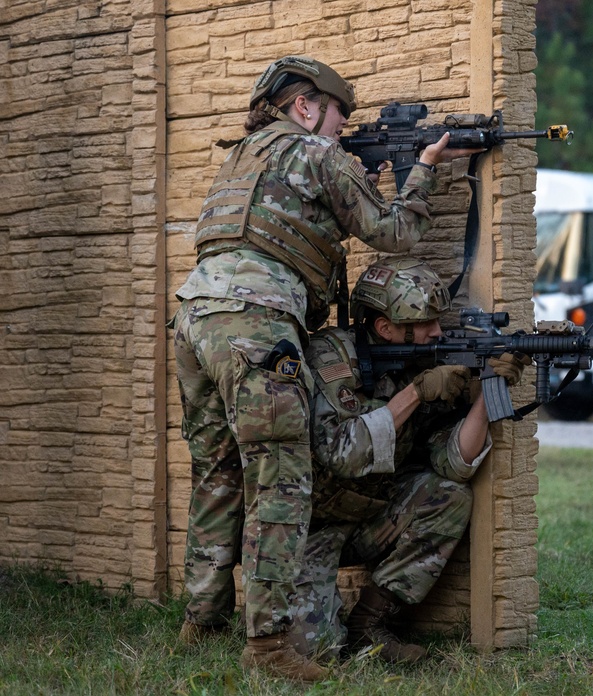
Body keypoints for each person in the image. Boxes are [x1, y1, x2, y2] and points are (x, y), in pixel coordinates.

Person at [172, 55, 480, 682]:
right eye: (341, 114)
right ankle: (268, 651)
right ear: (306, 106)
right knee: (281, 482)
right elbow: (394, 234)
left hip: (196, 316)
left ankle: (200, 623)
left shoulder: (243, 157)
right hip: (257, 323)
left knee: (218, 472)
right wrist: (421, 170)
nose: (345, 127)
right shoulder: (316, 154)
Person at [286, 256, 529, 663]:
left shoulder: (422, 362)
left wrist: (489, 390)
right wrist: (416, 393)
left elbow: (453, 464)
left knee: (449, 496)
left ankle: (368, 626)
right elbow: (342, 454)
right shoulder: (331, 360)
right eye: (426, 324)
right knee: (315, 652)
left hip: (373, 516)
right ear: (385, 328)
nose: (438, 332)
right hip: (311, 528)